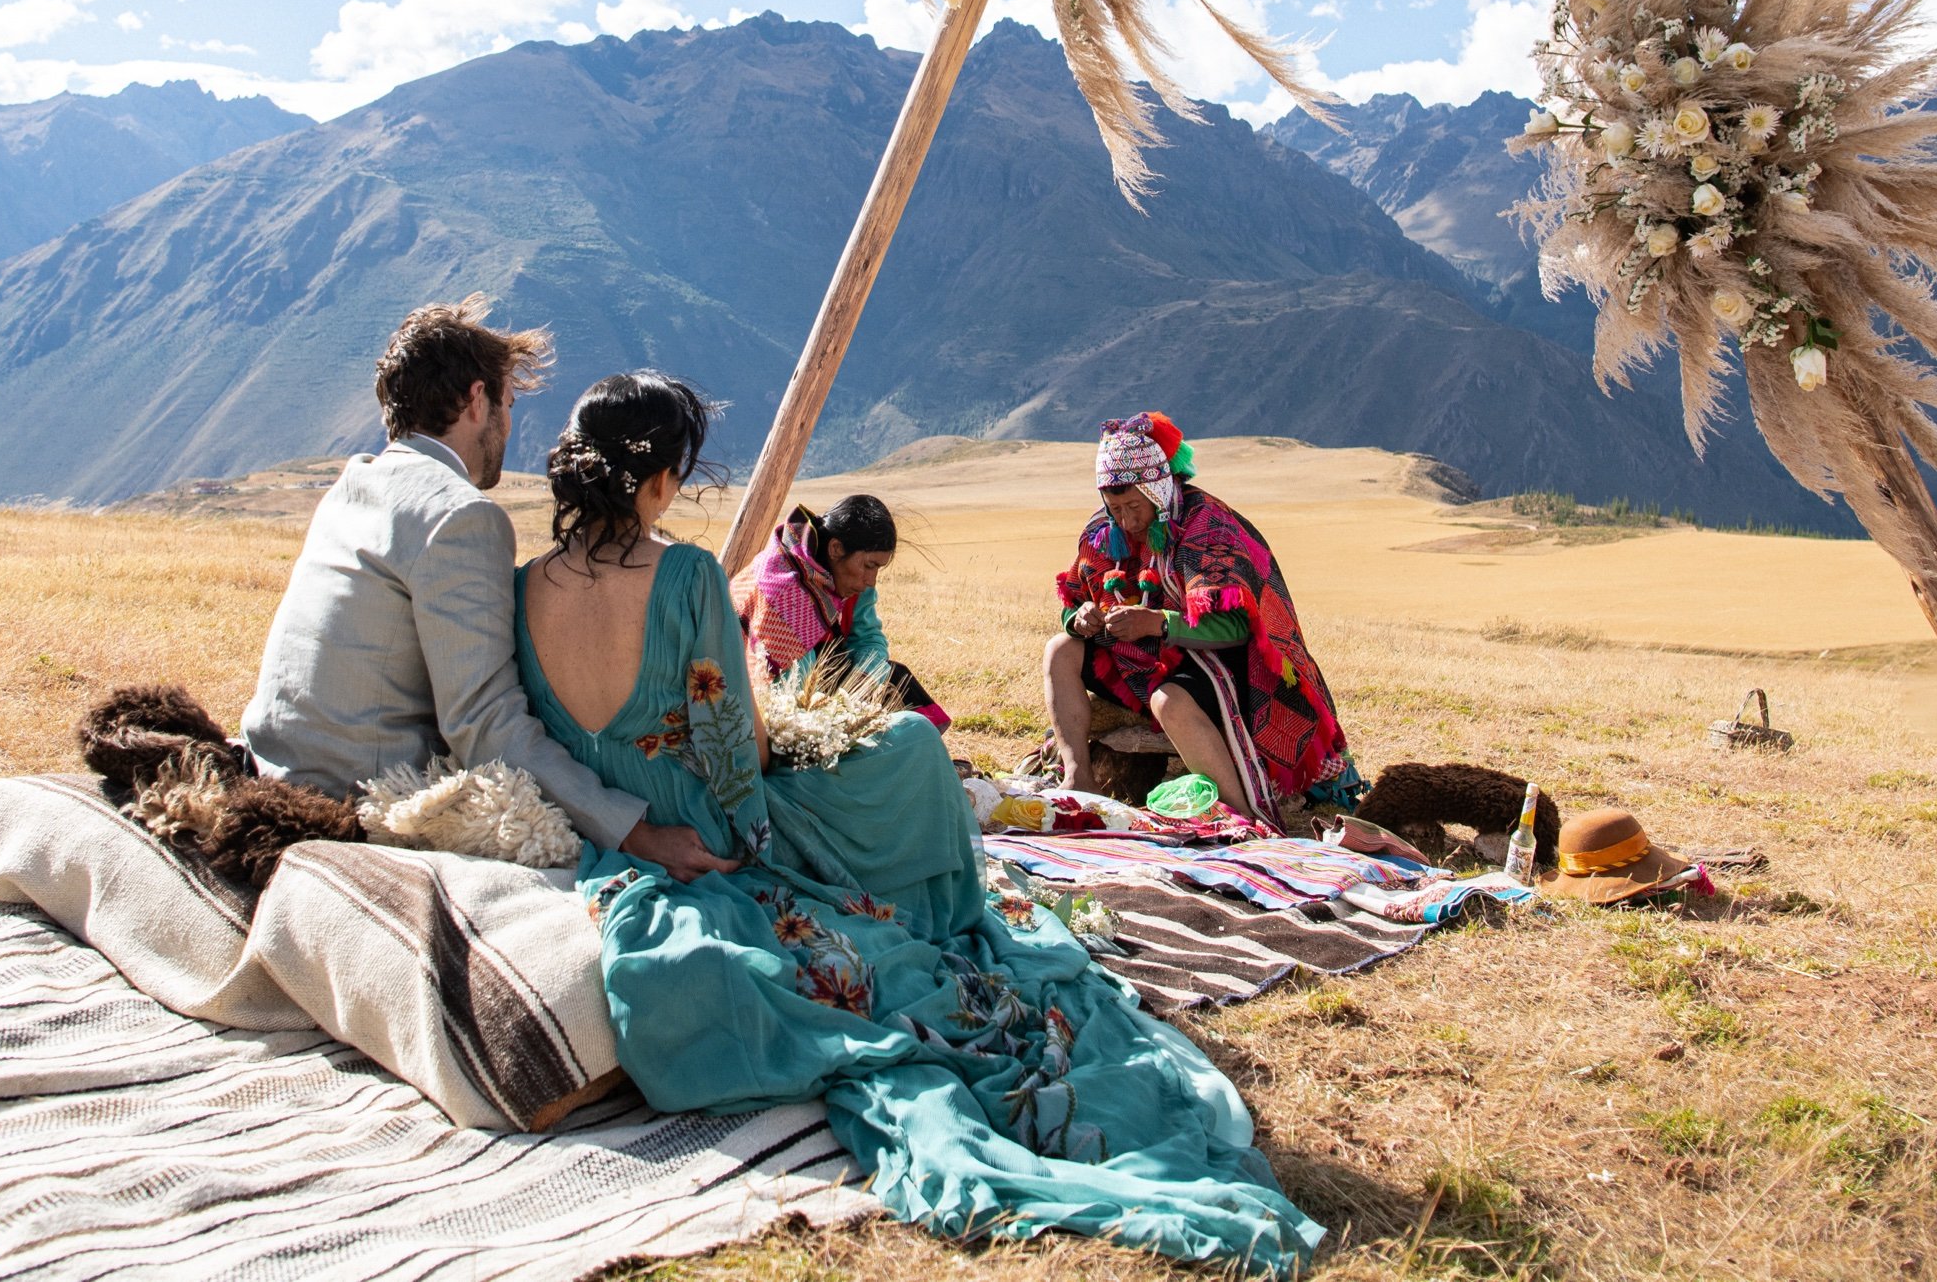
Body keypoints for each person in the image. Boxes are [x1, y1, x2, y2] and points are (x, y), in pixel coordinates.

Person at [512, 372, 1320, 1273]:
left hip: (615, 837)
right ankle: (942, 891)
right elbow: (732, 746)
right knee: (907, 753)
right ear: (660, 477)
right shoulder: (688, 575)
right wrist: (759, 841)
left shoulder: (523, 586)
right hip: (715, 824)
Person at [238, 297, 726, 880]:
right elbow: (484, 723)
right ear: (476, 400)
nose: (510, 424)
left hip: (272, 763)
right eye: (509, 403)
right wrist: (635, 832)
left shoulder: (356, 481)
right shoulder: (458, 515)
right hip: (351, 794)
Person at [1041, 410, 1358, 831]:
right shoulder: (1104, 532)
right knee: (1060, 649)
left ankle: (1242, 815)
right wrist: (1079, 619)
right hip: (1142, 657)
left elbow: (1238, 627)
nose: (1126, 520)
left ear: (1157, 488)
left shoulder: (1206, 528)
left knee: (1168, 700)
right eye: (1115, 507)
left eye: (1134, 505)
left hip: (1229, 663)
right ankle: (1079, 777)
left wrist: (1157, 624)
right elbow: (1075, 599)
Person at [731, 494, 950, 728]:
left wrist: (863, 678)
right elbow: (772, 681)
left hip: (822, 684)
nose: (871, 580)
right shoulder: (782, 586)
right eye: (869, 565)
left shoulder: (849, 583)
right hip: (762, 698)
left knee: (896, 679)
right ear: (836, 548)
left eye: (878, 568)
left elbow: (869, 638)